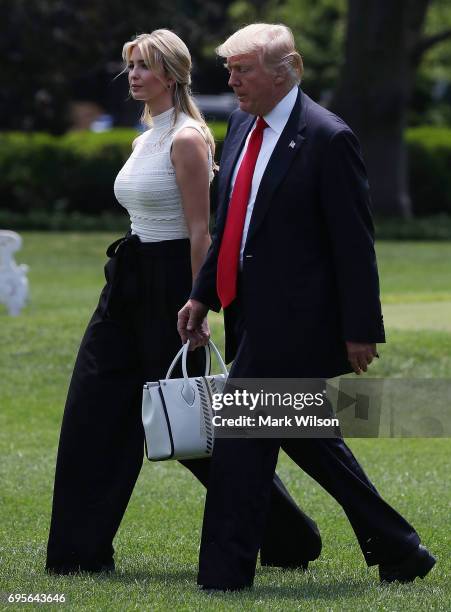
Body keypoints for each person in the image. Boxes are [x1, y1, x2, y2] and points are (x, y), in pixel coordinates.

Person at [45, 28, 322, 575]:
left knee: (198, 431)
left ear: (171, 74)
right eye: (130, 66)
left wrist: (201, 304)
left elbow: (203, 232)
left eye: (144, 66)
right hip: (125, 284)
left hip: (172, 289)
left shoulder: (188, 138)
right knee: (92, 413)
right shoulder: (142, 135)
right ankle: (78, 554)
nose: (134, 76)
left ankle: (289, 536)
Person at [178, 23, 436, 590]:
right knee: (305, 432)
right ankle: (399, 546)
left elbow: (354, 243)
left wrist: (359, 329)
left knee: (242, 438)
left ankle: (224, 577)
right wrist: (201, 292)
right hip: (245, 313)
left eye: (242, 70)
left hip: (296, 320)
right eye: (230, 69)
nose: (231, 80)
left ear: (285, 68)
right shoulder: (243, 122)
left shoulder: (328, 137)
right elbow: (230, 222)